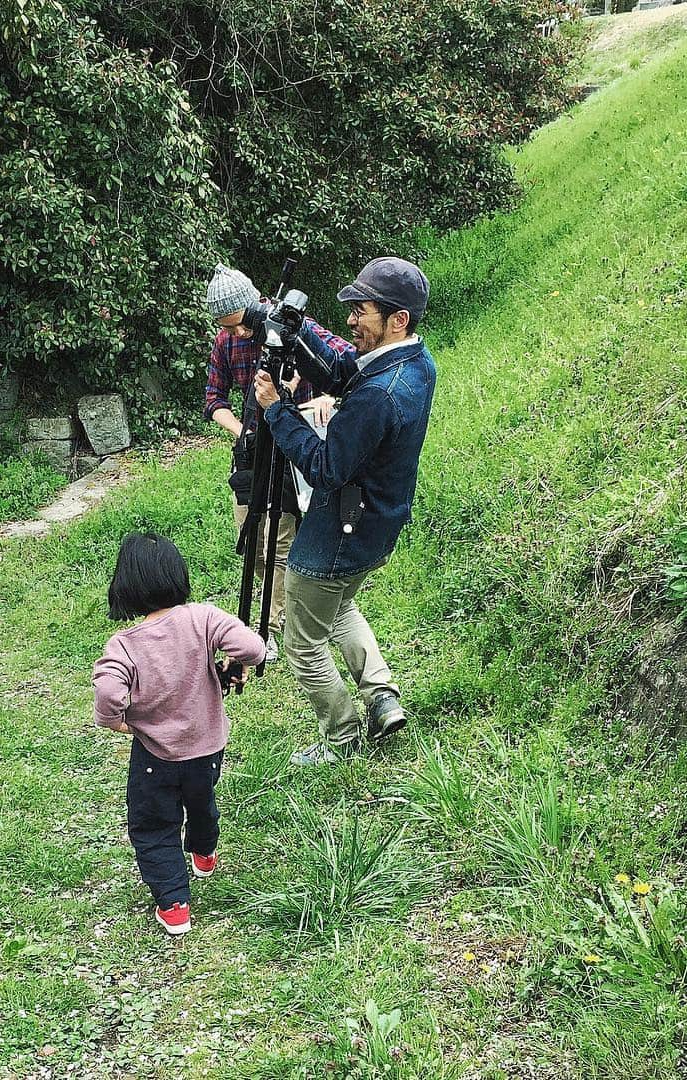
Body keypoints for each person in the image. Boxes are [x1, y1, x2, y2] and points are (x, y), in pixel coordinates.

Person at [253, 257, 437, 766]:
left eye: (362, 311)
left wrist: (275, 410)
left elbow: (323, 466)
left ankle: (343, 735)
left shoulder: (380, 395)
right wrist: (297, 343)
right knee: (339, 605)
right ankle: (380, 694)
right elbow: (342, 375)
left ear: (396, 319)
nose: (352, 320)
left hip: (339, 530)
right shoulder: (414, 364)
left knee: (302, 639)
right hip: (379, 523)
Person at [93, 532, 265, 935]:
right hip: (208, 749)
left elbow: (107, 692)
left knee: (154, 824)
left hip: (156, 756)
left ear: (126, 585)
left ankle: (174, 905)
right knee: (201, 802)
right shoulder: (204, 618)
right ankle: (204, 852)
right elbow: (253, 649)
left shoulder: (125, 645)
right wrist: (231, 660)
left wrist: (116, 721)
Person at [204, 263, 343, 660]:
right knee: (253, 537)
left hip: (292, 448)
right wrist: (242, 430)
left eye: (240, 325)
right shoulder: (225, 342)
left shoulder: (293, 328)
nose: (236, 335)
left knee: (279, 544)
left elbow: (343, 368)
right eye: (228, 328)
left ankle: (271, 627)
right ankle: (265, 619)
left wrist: (326, 400)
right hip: (250, 453)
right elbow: (214, 400)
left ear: (252, 309)